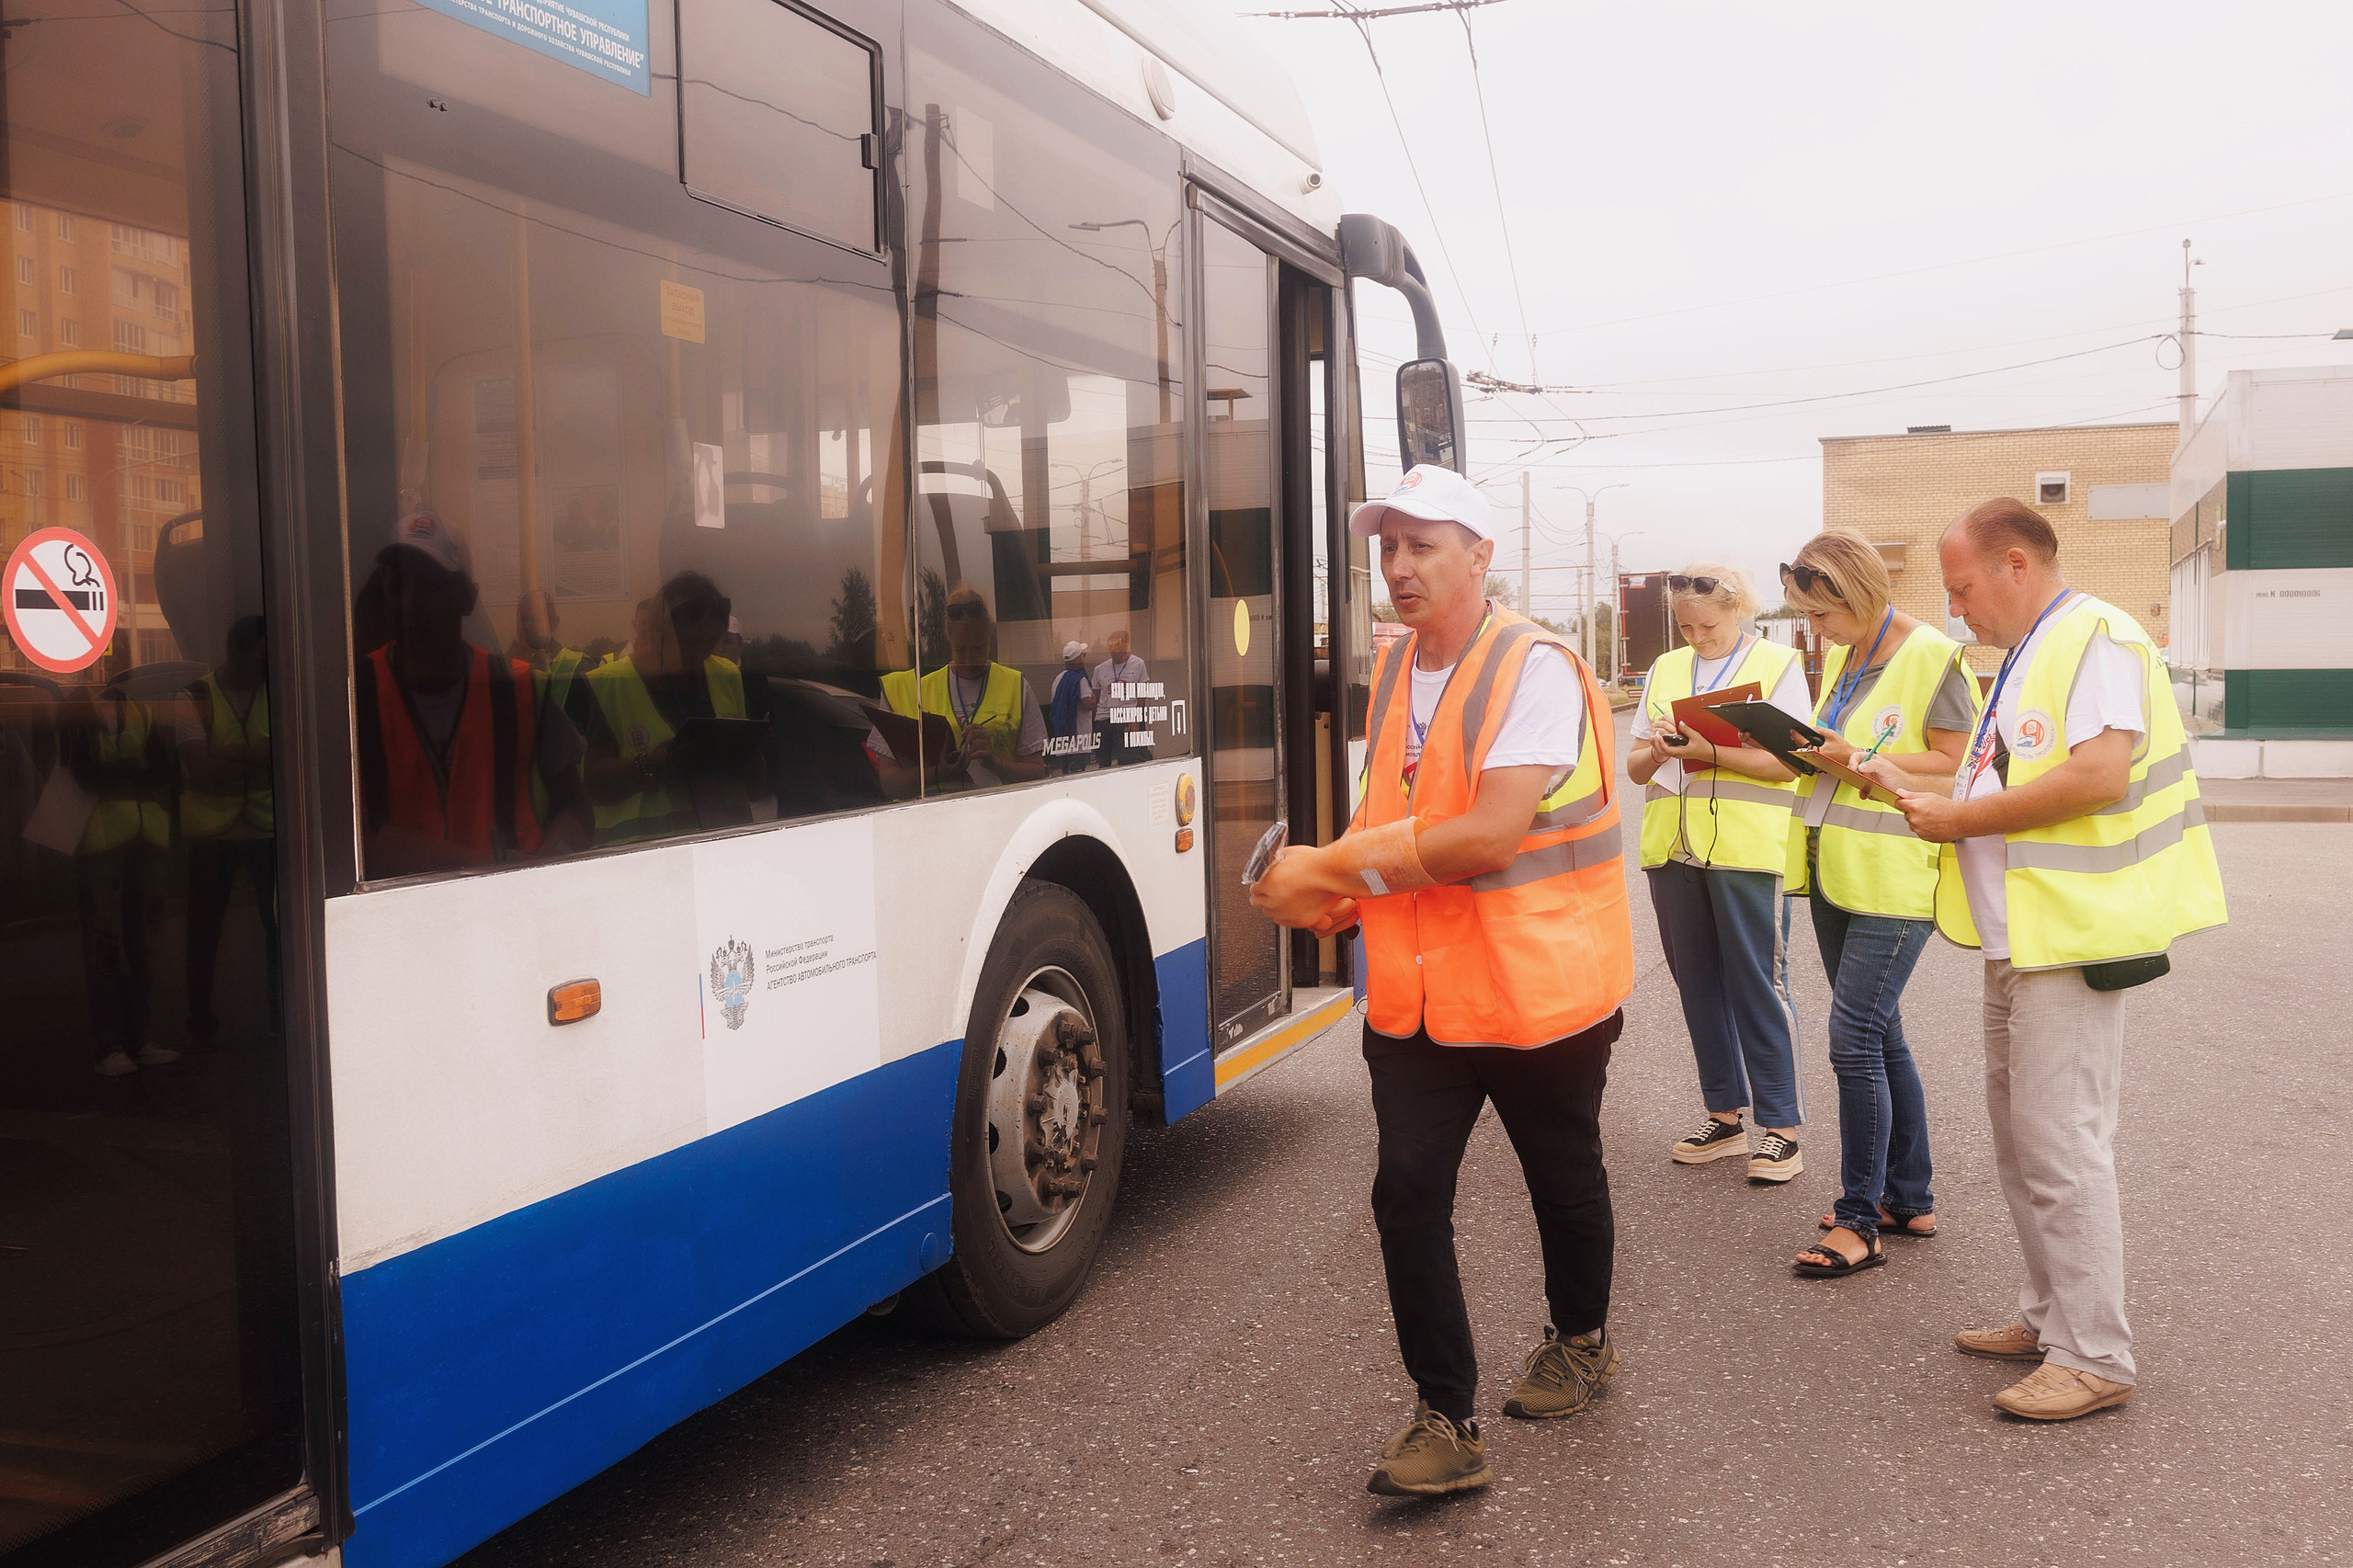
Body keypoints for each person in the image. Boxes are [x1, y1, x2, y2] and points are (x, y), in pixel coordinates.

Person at [1249, 464, 1632, 1499]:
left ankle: (1581, 1337)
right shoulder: (1399, 665)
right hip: (1418, 996)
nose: (1400, 566)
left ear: (1480, 554)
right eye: (1387, 546)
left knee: (1563, 1174)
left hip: (1537, 989)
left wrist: (1327, 866)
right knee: (1405, 1193)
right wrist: (1335, 899)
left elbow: (1489, 831)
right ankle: (1443, 1414)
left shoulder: (1534, 664)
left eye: (1423, 544)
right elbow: (1402, 824)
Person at [1887, 497, 2226, 1420]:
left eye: (1961, 587)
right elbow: (2001, 774)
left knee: (2062, 1145)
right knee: (2024, 1142)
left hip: (2070, 938)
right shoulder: (2030, 652)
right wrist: (1909, 782)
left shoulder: (2098, 637)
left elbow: (2096, 775)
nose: (1955, 607)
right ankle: (2049, 1315)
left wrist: (1955, 816)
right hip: (2022, 936)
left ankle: (2094, 1353)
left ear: (2013, 564)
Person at [1773, 532, 1978, 1278]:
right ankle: (1909, 1197)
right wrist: (1803, 746)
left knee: (1853, 1038)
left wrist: (1854, 759)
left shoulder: (1932, 656)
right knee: (1880, 1036)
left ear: (1857, 594)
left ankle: (1859, 1219)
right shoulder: (1846, 656)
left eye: (1822, 615)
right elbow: (1839, 747)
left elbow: (1957, 768)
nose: (1815, 630)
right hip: (1836, 871)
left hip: (1896, 876)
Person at [1628, 565, 1811, 1182]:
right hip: (1673, 851)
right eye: (1685, 626)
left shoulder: (1778, 668)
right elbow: (1633, 767)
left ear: (1737, 610)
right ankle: (1725, 1119)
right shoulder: (1665, 670)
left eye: (1707, 625)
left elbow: (1789, 766)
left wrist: (1707, 751)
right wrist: (1656, 748)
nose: (1697, 637)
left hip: (1745, 851)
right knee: (1698, 987)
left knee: (1758, 985)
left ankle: (1782, 1129)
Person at [354, 511, 590, 875]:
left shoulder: (518, 687)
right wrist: (490, 867)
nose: (411, 604)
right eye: (399, 586)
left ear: (466, 598)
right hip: (401, 915)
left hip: (507, 912)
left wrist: (543, 873)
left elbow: (575, 809)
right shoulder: (357, 693)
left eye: (430, 585)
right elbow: (347, 838)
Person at [579, 572, 771, 845]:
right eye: (688, 643)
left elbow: (754, 787)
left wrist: (752, 750)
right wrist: (653, 763)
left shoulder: (726, 675)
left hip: (725, 851)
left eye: (709, 642)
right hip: (645, 858)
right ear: (658, 633)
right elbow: (594, 788)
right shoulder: (612, 683)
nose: (699, 654)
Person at [176, 615, 280, 1048]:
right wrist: (259, 759)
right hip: (211, 837)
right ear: (235, 651)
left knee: (280, 930)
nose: (267, 665)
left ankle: (282, 1015)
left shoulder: (276, 690)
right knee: (203, 933)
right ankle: (200, 1021)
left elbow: (286, 758)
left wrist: (226, 755)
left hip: (266, 831)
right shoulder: (193, 696)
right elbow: (200, 772)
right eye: (260, 656)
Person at [67, 665, 175, 1076]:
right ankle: (109, 1045)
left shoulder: (139, 712)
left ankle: (139, 1040)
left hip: (142, 841)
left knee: (142, 943)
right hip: (101, 844)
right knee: (107, 944)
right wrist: (133, 772)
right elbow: (83, 774)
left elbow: (163, 770)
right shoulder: (76, 713)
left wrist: (121, 774)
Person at [880, 585, 1049, 787]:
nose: (970, 659)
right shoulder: (909, 689)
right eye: (960, 650)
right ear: (949, 640)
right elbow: (889, 783)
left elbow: (1037, 771)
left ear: (990, 637)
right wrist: (937, 773)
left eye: (978, 647)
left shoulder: (1017, 686)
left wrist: (994, 763)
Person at [510, 588, 593, 712]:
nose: (526, 626)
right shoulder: (505, 667)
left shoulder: (579, 668)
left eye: (534, 619)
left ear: (554, 623)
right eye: (523, 619)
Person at [1091, 628, 1149, 766]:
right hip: (1105, 718)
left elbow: (1142, 694)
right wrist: (1094, 725)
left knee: (1128, 760)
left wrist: (1136, 720)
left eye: (1118, 649)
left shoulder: (1138, 664)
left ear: (1125, 647)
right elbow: (1096, 697)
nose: (1115, 653)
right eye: (1112, 650)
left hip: (1127, 718)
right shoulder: (1100, 669)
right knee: (1103, 762)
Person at [1046, 639, 1096, 774]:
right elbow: (1088, 704)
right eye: (1083, 655)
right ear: (1078, 658)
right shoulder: (1080, 679)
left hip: (1062, 740)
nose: (1084, 658)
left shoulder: (1058, 679)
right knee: (1077, 776)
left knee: (1065, 776)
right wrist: (1094, 697)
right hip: (1079, 740)